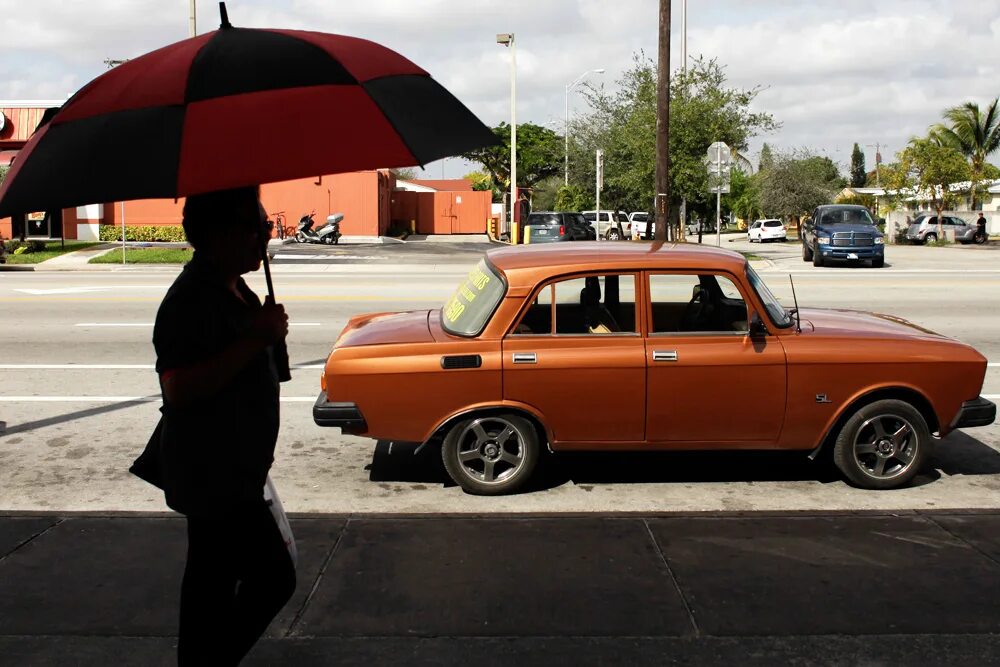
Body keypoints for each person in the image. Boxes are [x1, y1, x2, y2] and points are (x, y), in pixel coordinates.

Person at [150, 186, 295, 665]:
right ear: (221, 234)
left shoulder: (235, 287)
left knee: (208, 588)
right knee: (272, 576)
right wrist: (256, 339)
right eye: (259, 229)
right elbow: (180, 389)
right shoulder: (190, 299)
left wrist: (266, 337)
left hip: (236, 468)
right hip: (212, 472)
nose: (265, 240)